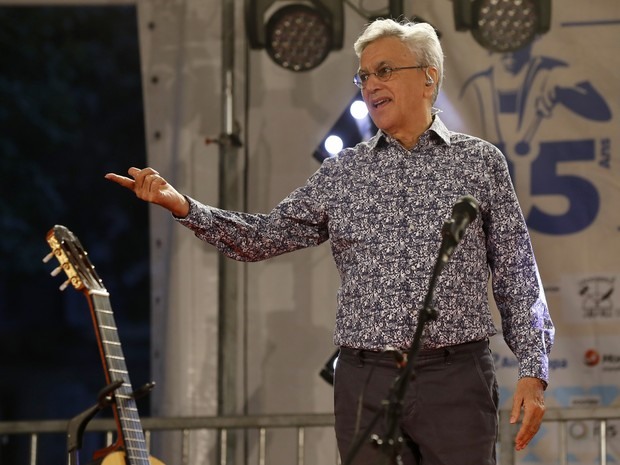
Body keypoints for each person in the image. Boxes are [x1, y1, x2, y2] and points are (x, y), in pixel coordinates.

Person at [106, 18, 554, 465]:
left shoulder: (478, 162)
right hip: (366, 380)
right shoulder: (343, 172)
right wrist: (184, 206)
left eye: (383, 71)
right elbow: (264, 237)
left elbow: (517, 271)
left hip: (455, 376)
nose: (370, 85)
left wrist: (533, 370)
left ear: (428, 76)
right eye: (362, 76)